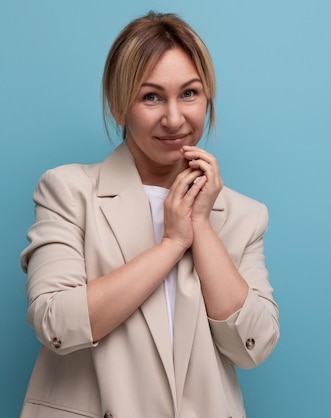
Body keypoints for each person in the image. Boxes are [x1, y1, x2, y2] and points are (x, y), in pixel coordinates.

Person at [20, 11, 279, 418]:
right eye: (151, 96)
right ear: (119, 107)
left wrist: (200, 225)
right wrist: (172, 244)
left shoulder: (244, 214)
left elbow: (255, 345)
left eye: (190, 93)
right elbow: (55, 322)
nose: (174, 118)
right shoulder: (68, 191)